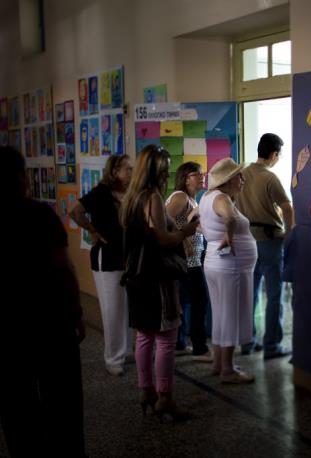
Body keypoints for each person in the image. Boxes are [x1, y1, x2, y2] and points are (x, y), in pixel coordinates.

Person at [2, 146, 86, 456]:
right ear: (20, 178)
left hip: (8, 330)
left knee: (16, 406)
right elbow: (63, 267)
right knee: (63, 401)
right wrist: (76, 313)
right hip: (51, 322)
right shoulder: (39, 215)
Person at [120, 145, 199, 420]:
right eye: (164, 166)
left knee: (144, 336)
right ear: (154, 170)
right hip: (157, 278)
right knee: (166, 338)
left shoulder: (131, 198)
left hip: (136, 276)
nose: (167, 172)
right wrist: (186, 231)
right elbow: (163, 239)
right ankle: (165, 397)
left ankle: (146, 391)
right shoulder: (152, 197)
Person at [69, 154, 133, 376]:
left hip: (125, 257)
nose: (130, 172)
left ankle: (125, 350)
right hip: (106, 257)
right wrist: (92, 231)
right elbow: (75, 211)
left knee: (125, 306)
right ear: (114, 172)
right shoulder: (101, 192)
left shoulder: (128, 193)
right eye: (126, 169)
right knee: (112, 309)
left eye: (131, 168)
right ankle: (112, 358)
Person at [235, 133, 295, 359]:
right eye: (279, 155)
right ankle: (272, 345)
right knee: (274, 294)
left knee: (249, 294)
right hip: (269, 242)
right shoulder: (270, 178)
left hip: (246, 241)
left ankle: (247, 342)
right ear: (273, 154)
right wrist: (289, 233)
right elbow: (287, 207)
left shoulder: (241, 173)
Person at [200, 158, 256, 383]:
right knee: (231, 315)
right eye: (239, 176)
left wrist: (209, 233)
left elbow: (194, 217)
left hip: (217, 263)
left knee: (221, 314)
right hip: (230, 266)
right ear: (229, 179)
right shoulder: (222, 199)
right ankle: (228, 370)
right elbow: (230, 218)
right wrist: (228, 237)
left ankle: (218, 363)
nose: (243, 180)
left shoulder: (207, 197)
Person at [165, 162, 212, 362]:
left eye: (202, 173)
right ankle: (200, 348)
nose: (202, 177)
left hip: (191, 259)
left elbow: (185, 222)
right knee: (200, 300)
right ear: (185, 178)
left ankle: (179, 343)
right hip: (186, 260)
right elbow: (165, 220)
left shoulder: (192, 199)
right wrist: (184, 238)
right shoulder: (181, 197)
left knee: (185, 301)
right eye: (196, 174)